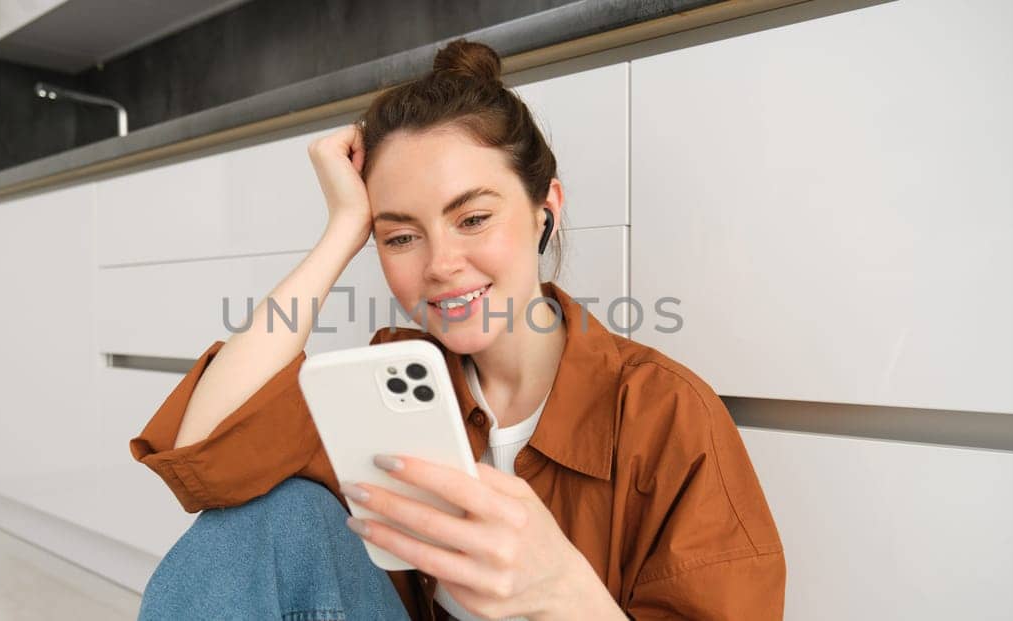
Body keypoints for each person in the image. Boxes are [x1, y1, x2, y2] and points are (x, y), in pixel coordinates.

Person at [129, 38, 785, 620]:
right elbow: (206, 448)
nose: (441, 265)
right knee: (270, 518)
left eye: (472, 218)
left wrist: (564, 592)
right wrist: (339, 231)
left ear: (543, 212)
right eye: (401, 234)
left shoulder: (667, 417)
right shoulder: (393, 376)